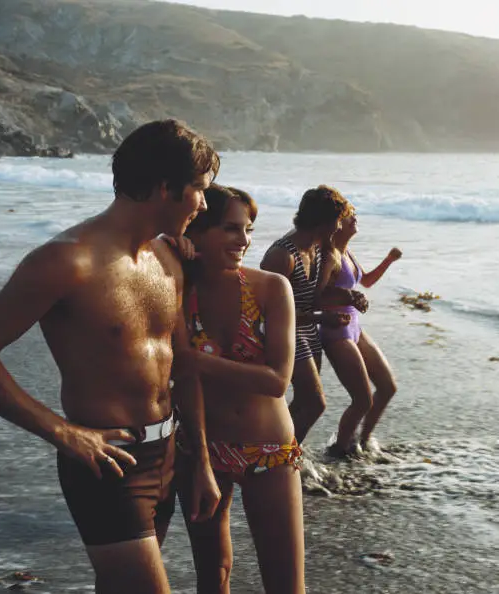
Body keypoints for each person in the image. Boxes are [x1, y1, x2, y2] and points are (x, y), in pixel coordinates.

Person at [0, 119, 222, 594]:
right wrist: (64, 433)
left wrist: (200, 461)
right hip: (108, 462)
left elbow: (182, 366)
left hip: (169, 451)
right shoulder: (67, 261)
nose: (204, 203)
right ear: (163, 187)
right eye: (199, 189)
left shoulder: (169, 258)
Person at [170, 184, 306, 594]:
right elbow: (185, 383)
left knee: (286, 585)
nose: (244, 240)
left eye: (247, 229)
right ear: (197, 230)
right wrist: (200, 464)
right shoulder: (178, 288)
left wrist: (192, 359)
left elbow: (277, 380)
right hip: (202, 447)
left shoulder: (270, 288)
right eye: (230, 229)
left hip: (269, 451)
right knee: (213, 578)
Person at [260, 185, 364, 444]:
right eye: (337, 222)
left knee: (305, 402)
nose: (340, 228)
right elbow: (267, 312)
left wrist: (347, 297)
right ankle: (283, 457)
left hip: (306, 330)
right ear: (323, 222)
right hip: (282, 334)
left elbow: (315, 297)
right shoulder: (282, 256)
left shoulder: (318, 248)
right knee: (314, 403)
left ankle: (280, 453)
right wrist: (320, 319)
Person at [319, 209, 401, 456]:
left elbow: (365, 281)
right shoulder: (328, 256)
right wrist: (347, 296)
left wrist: (388, 260)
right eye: (348, 214)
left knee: (387, 387)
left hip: (355, 327)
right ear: (336, 223)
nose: (354, 217)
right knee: (363, 399)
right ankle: (340, 449)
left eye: (354, 213)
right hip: (336, 331)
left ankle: (362, 441)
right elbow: (316, 296)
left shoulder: (347, 253)